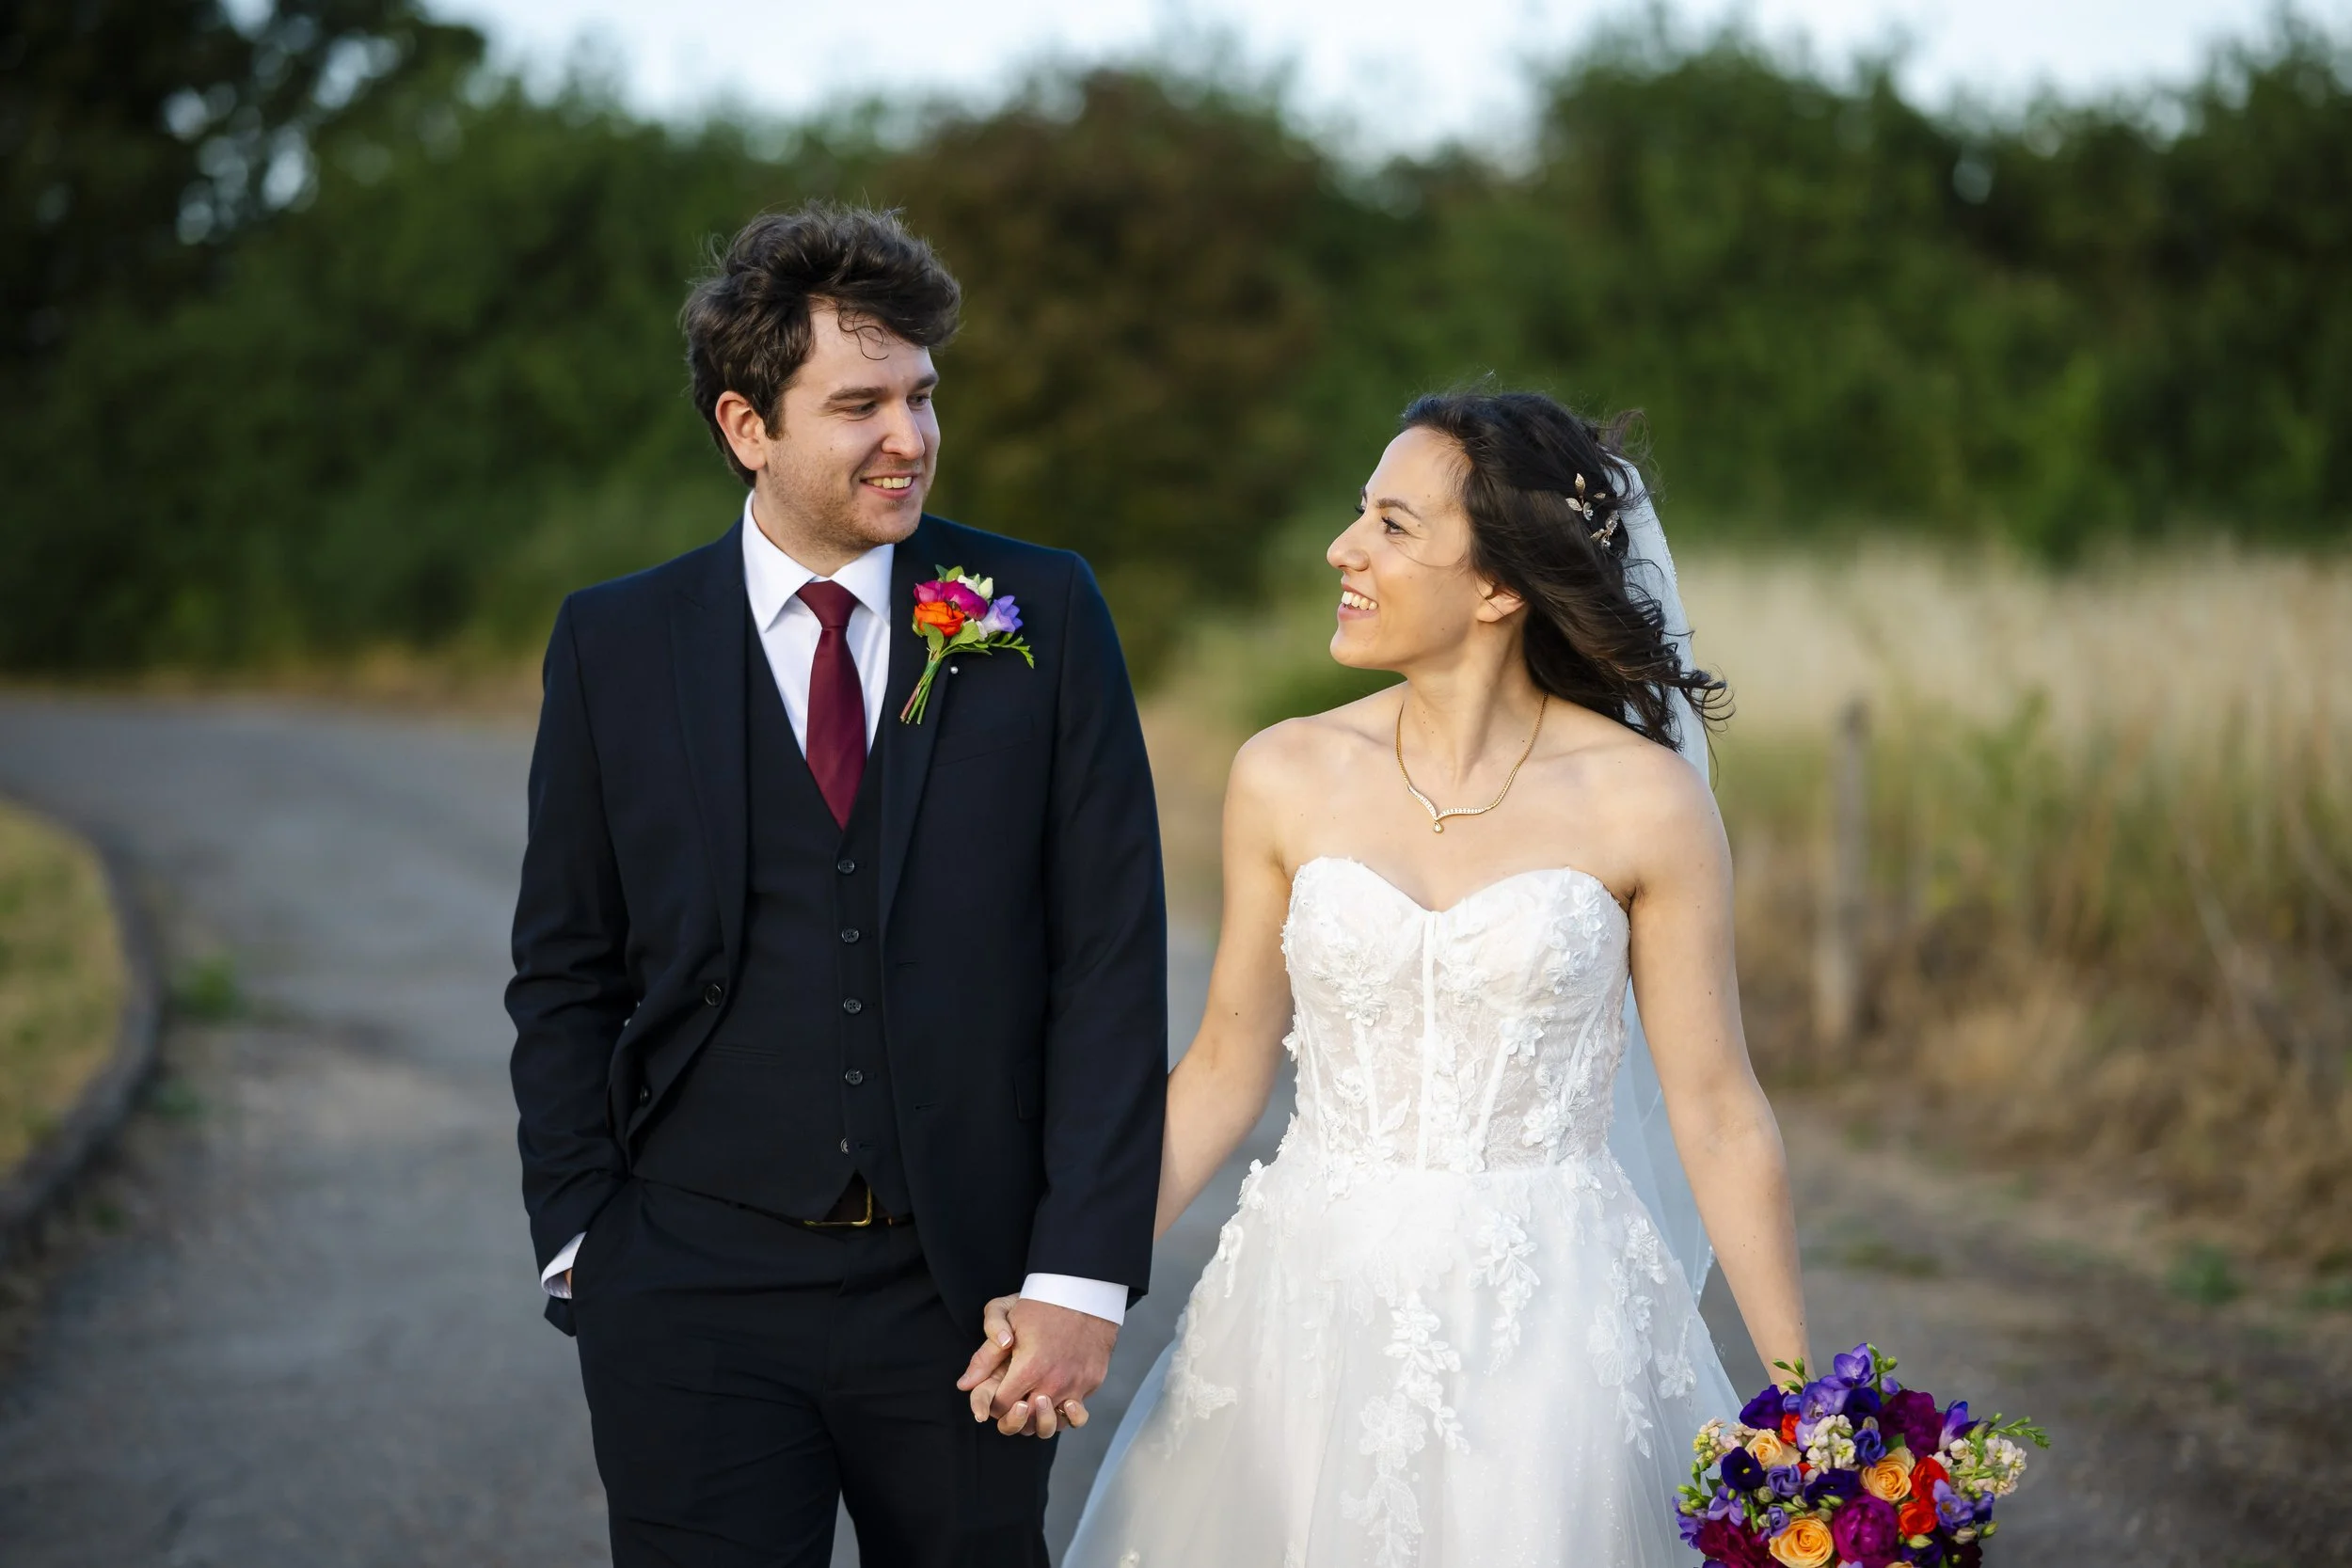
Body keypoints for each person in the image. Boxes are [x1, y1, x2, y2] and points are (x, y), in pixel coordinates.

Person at [963, 390, 1810, 1566]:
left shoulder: (1644, 801)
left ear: (1499, 588)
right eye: (1360, 512)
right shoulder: (1286, 772)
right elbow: (1216, 1070)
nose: (1342, 548)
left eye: (1392, 526)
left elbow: (1716, 1110)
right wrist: (1073, 1287)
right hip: (1305, 1309)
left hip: (1553, 1321)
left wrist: (1803, 1404)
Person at [506, 203, 1168, 1567]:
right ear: (747, 425)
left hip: (966, 1298)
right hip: (686, 1282)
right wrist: (583, 1240)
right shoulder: (615, 642)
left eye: (923, 395)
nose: (911, 437)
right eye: (860, 403)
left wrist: (1076, 1274)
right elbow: (566, 961)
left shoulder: (1040, 609)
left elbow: (1109, 959)